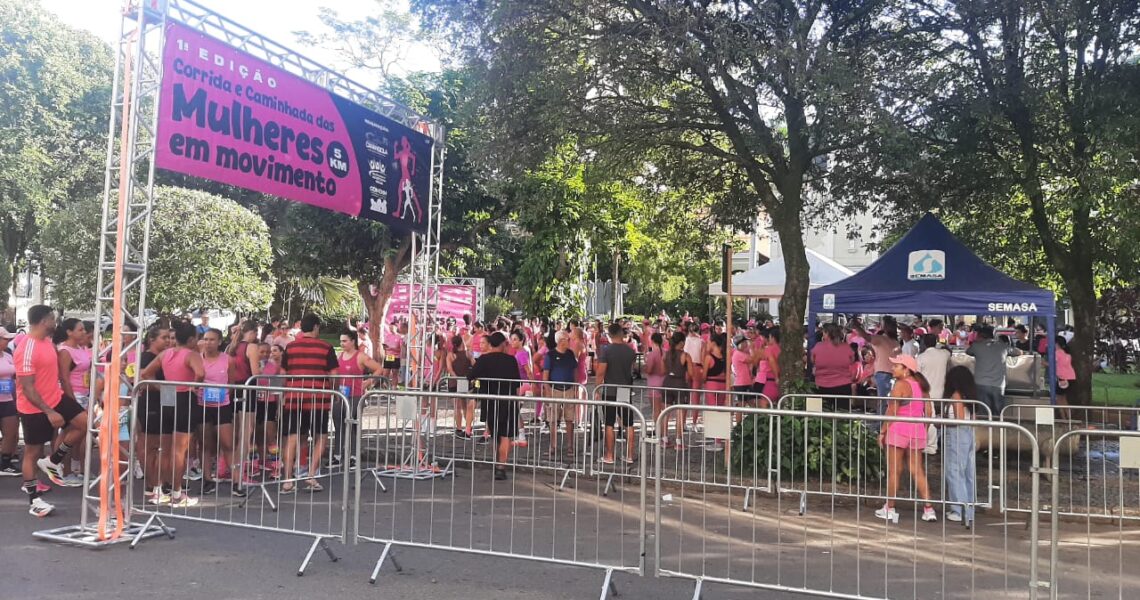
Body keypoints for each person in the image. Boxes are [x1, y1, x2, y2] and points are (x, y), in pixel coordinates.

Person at [16, 305, 89, 517]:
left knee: (86, 424)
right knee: (33, 452)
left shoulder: (48, 342)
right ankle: (34, 501)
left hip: (56, 398)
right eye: (52, 319)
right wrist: (49, 412)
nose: (55, 322)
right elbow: (28, 387)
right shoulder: (26, 347)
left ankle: (53, 461)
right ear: (43, 321)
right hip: (33, 406)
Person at [140, 321, 204, 507]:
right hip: (184, 398)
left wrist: (162, 387)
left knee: (165, 449)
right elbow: (200, 373)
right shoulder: (191, 355)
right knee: (179, 450)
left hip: (167, 398)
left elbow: (145, 373)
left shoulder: (164, 354)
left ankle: (158, 490)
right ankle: (176, 493)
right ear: (192, 339)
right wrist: (194, 385)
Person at [280, 314, 339, 493]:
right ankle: (311, 476)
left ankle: (288, 481)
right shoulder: (326, 347)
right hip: (318, 399)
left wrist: (287, 391)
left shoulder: (290, 347)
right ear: (315, 327)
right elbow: (334, 374)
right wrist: (334, 391)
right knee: (321, 436)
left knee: (292, 437)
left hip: (294, 398)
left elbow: (283, 374)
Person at [876, 354, 936, 522]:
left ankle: (890, 507)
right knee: (918, 471)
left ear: (906, 369)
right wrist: (922, 429)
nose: (892, 368)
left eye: (896, 365)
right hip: (917, 430)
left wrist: (882, 432)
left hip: (898, 430)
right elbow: (929, 412)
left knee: (895, 471)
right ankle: (928, 508)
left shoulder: (900, 385)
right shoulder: (922, 386)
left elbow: (892, 411)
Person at [467, 332, 521, 480]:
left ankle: (498, 463)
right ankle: (500, 466)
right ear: (503, 344)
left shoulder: (484, 360)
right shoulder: (510, 360)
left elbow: (470, 376)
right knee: (505, 435)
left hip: (490, 401)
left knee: (495, 433)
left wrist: (480, 382)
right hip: (508, 401)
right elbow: (517, 384)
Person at [196, 328, 243, 497]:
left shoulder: (228, 360)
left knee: (227, 443)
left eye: (212, 339)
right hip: (202, 405)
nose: (208, 343)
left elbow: (231, 383)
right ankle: (207, 480)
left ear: (219, 342)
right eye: (205, 339)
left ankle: (237, 481)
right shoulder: (197, 359)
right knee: (205, 443)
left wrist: (222, 394)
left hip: (222, 405)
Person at [333, 332, 383, 466]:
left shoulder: (361, 356)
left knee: (352, 426)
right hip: (341, 395)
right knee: (338, 425)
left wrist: (368, 382)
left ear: (352, 341)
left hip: (355, 395)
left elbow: (378, 368)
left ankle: (354, 456)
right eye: (341, 341)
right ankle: (337, 456)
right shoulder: (340, 355)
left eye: (345, 341)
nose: (342, 344)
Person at [597, 323, 637, 464]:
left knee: (609, 423)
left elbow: (601, 372)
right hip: (625, 388)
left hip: (610, 389)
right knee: (628, 422)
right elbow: (630, 369)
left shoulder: (606, 351)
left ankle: (609, 455)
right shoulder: (630, 351)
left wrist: (598, 388)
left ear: (610, 335)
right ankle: (629, 455)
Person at [942, 365, 978, 525]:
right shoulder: (969, 396)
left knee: (955, 471)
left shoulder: (956, 395)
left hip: (956, 434)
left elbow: (958, 419)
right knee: (967, 472)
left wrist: (941, 422)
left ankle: (959, 509)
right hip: (969, 433)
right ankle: (968, 507)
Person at [966, 325, 1020, 414]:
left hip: (981, 383)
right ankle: (998, 427)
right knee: (998, 414)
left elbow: (968, 351)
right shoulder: (1002, 346)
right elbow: (1018, 352)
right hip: (998, 384)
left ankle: (985, 427)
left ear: (980, 336)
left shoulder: (976, 346)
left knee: (984, 413)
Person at [543, 330, 579, 459]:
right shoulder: (550, 355)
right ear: (560, 341)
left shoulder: (570, 354)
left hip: (569, 389)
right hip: (555, 390)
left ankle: (570, 446)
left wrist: (575, 387)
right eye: (567, 339)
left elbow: (574, 370)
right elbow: (545, 376)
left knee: (570, 419)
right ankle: (553, 446)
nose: (569, 342)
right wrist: (547, 393)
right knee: (553, 420)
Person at [811, 323, 855, 411]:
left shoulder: (818, 346)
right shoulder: (846, 347)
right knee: (842, 415)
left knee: (821, 416)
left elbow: (813, 360)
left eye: (823, 333)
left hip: (821, 386)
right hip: (843, 385)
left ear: (827, 334)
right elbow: (852, 360)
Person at [662, 331, 695, 448]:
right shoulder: (685, 356)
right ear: (681, 343)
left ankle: (664, 439)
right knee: (680, 413)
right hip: (680, 384)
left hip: (667, 382)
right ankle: (678, 441)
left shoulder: (666, 354)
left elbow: (663, 370)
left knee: (666, 412)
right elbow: (691, 374)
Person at [0, 327, 20, 476]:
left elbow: (15, 374)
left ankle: (5, 463)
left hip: (7, 399)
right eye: (4, 338)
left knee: (11, 432)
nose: (7, 341)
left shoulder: (7, 355)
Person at [447, 336, 475, 439]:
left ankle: (459, 428)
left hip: (455, 382)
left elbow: (450, 369)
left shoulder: (451, 355)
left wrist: (457, 378)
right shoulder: (468, 354)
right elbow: (474, 365)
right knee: (465, 405)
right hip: (465, 381)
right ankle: (468, 427)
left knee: (457, 406)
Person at [917, 333, 951, 400]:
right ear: (936, 342)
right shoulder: (944, 354)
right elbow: (950, 352)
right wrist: (944, 346)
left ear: (924, 343)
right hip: (941, 394)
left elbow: (917, 376)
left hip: (926, 394)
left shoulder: (920, 357)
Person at [1054, 336, 1077, 419]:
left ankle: (1065, 417)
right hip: (1070, 376)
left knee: (1060, 398)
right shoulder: (1067, 354)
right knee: (1062, 398)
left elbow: (1053, 363)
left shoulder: (1058, 352)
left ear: (1057, 344)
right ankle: (1067, 416)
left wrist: (1042, 362)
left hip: (1063, 377)